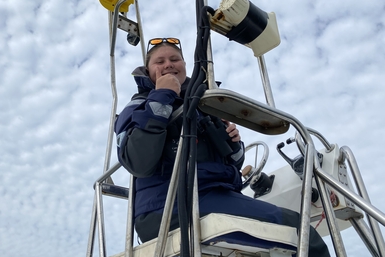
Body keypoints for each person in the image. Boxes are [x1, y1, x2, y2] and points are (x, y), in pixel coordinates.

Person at [114, 37, 330, 256]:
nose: (168, 64)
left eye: (175, 59)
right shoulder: (135, 108)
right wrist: (163, 96)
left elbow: (233, 165)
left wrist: (234, 145)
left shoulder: (204, 103)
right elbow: (138, 162)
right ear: (148, 71)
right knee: (301, 231)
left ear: (185, 66)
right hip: (168, 206)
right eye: (159, 61)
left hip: (214, 195)